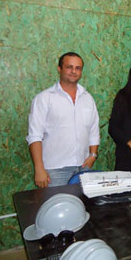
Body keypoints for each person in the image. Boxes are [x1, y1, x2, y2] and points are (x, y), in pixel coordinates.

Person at [27, 52, 100, 188]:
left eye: (78, 68)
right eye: (69, 67)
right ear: (59, 69)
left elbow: (93, 130)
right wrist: (39, 169)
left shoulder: (87, 98)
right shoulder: (44, 98)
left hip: (84, 168)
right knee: (57, 207)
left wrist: (93, 155)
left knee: (81, 207)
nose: (74, 71)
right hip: (55, 170)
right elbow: (35, 136)